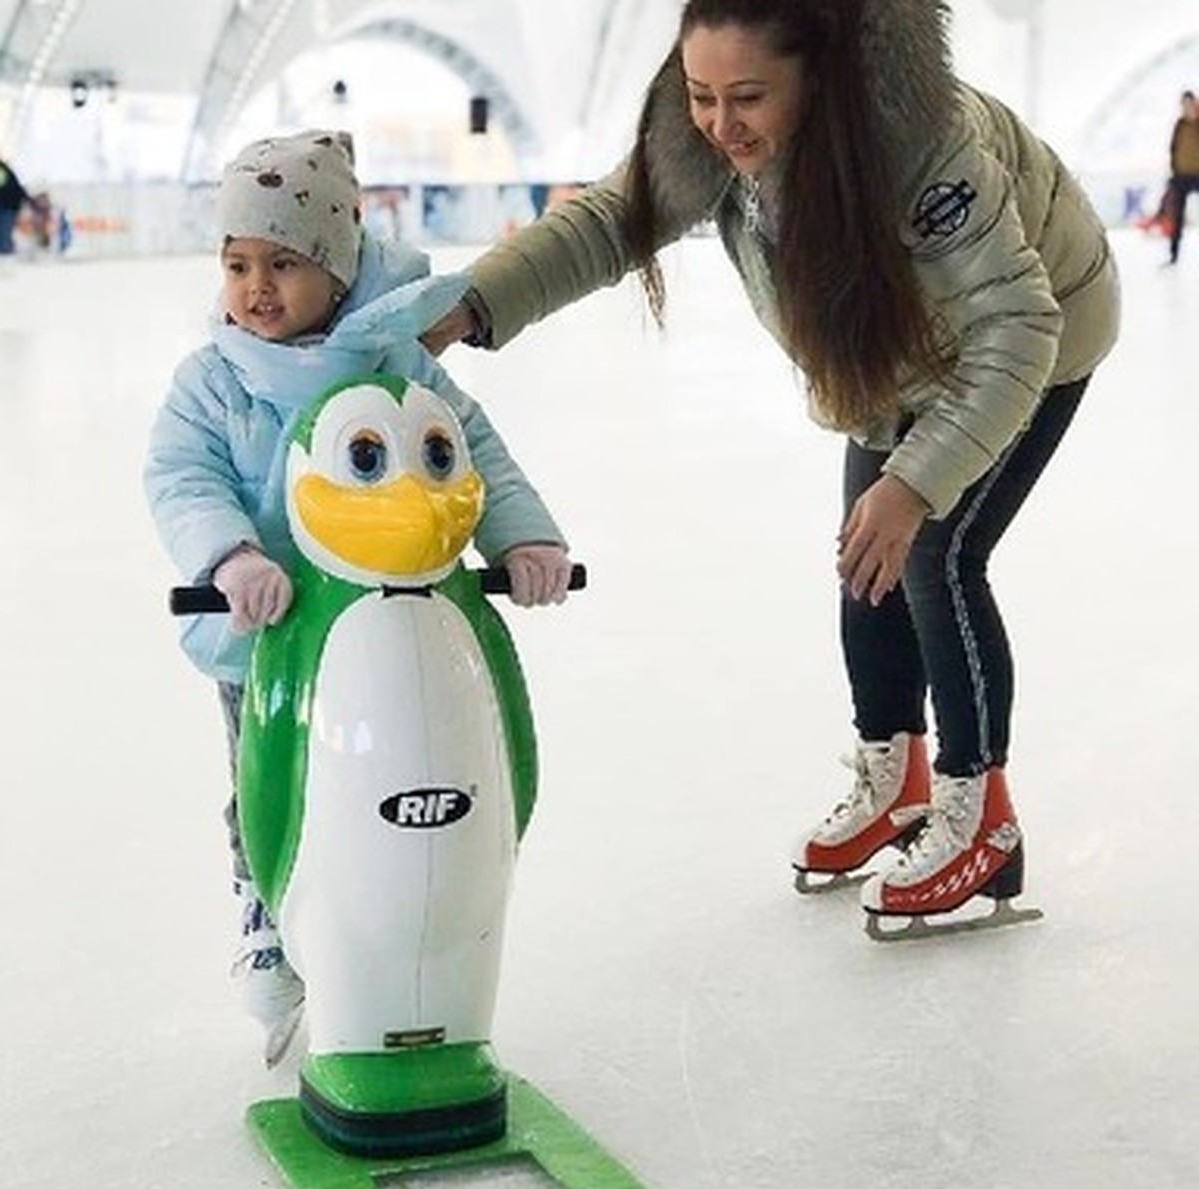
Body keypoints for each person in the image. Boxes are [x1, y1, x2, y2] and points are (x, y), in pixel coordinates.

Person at [421, 0, 1119, 934]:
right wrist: (468, 308)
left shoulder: (924, 153)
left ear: (819, 80)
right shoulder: (708, 140)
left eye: (747, 97)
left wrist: (914, 484)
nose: (720, 124)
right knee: (863, 564)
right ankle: (895, 775)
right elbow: (604, 226)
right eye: (700, 94)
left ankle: (979, 810)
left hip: (1040, 332)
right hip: (899, 356)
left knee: (934, 556)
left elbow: (1017, 324)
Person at [144, 130, 573, 1058]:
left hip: (396, 623)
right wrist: (230, 560)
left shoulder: (394, 363)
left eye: (284, 264)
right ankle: (266, 902)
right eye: (237, 264)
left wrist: (526, 537)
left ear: (338, 272)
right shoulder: (214, 381)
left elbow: (470, 450)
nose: (256, 288)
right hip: (267, 639)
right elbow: (182, 477)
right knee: (265, 777)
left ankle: (422, 922)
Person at [1165, 89, 1199, 265]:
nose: (1186, 108)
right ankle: (1173, 255)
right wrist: (1174, 170)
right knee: (1177, 216)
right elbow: (1173, 148)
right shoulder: (1179, 125)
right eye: (1183, 105)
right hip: (1181, 176)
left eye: (1189, 104)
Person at [0, 154, 31, 260]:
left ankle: (6, 261)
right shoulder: (5, 169)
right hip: (7, 207)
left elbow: (13, 188)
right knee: (4, 235)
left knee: (4, 236)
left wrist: (29, 201)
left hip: (6, 208)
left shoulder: (3, 169)